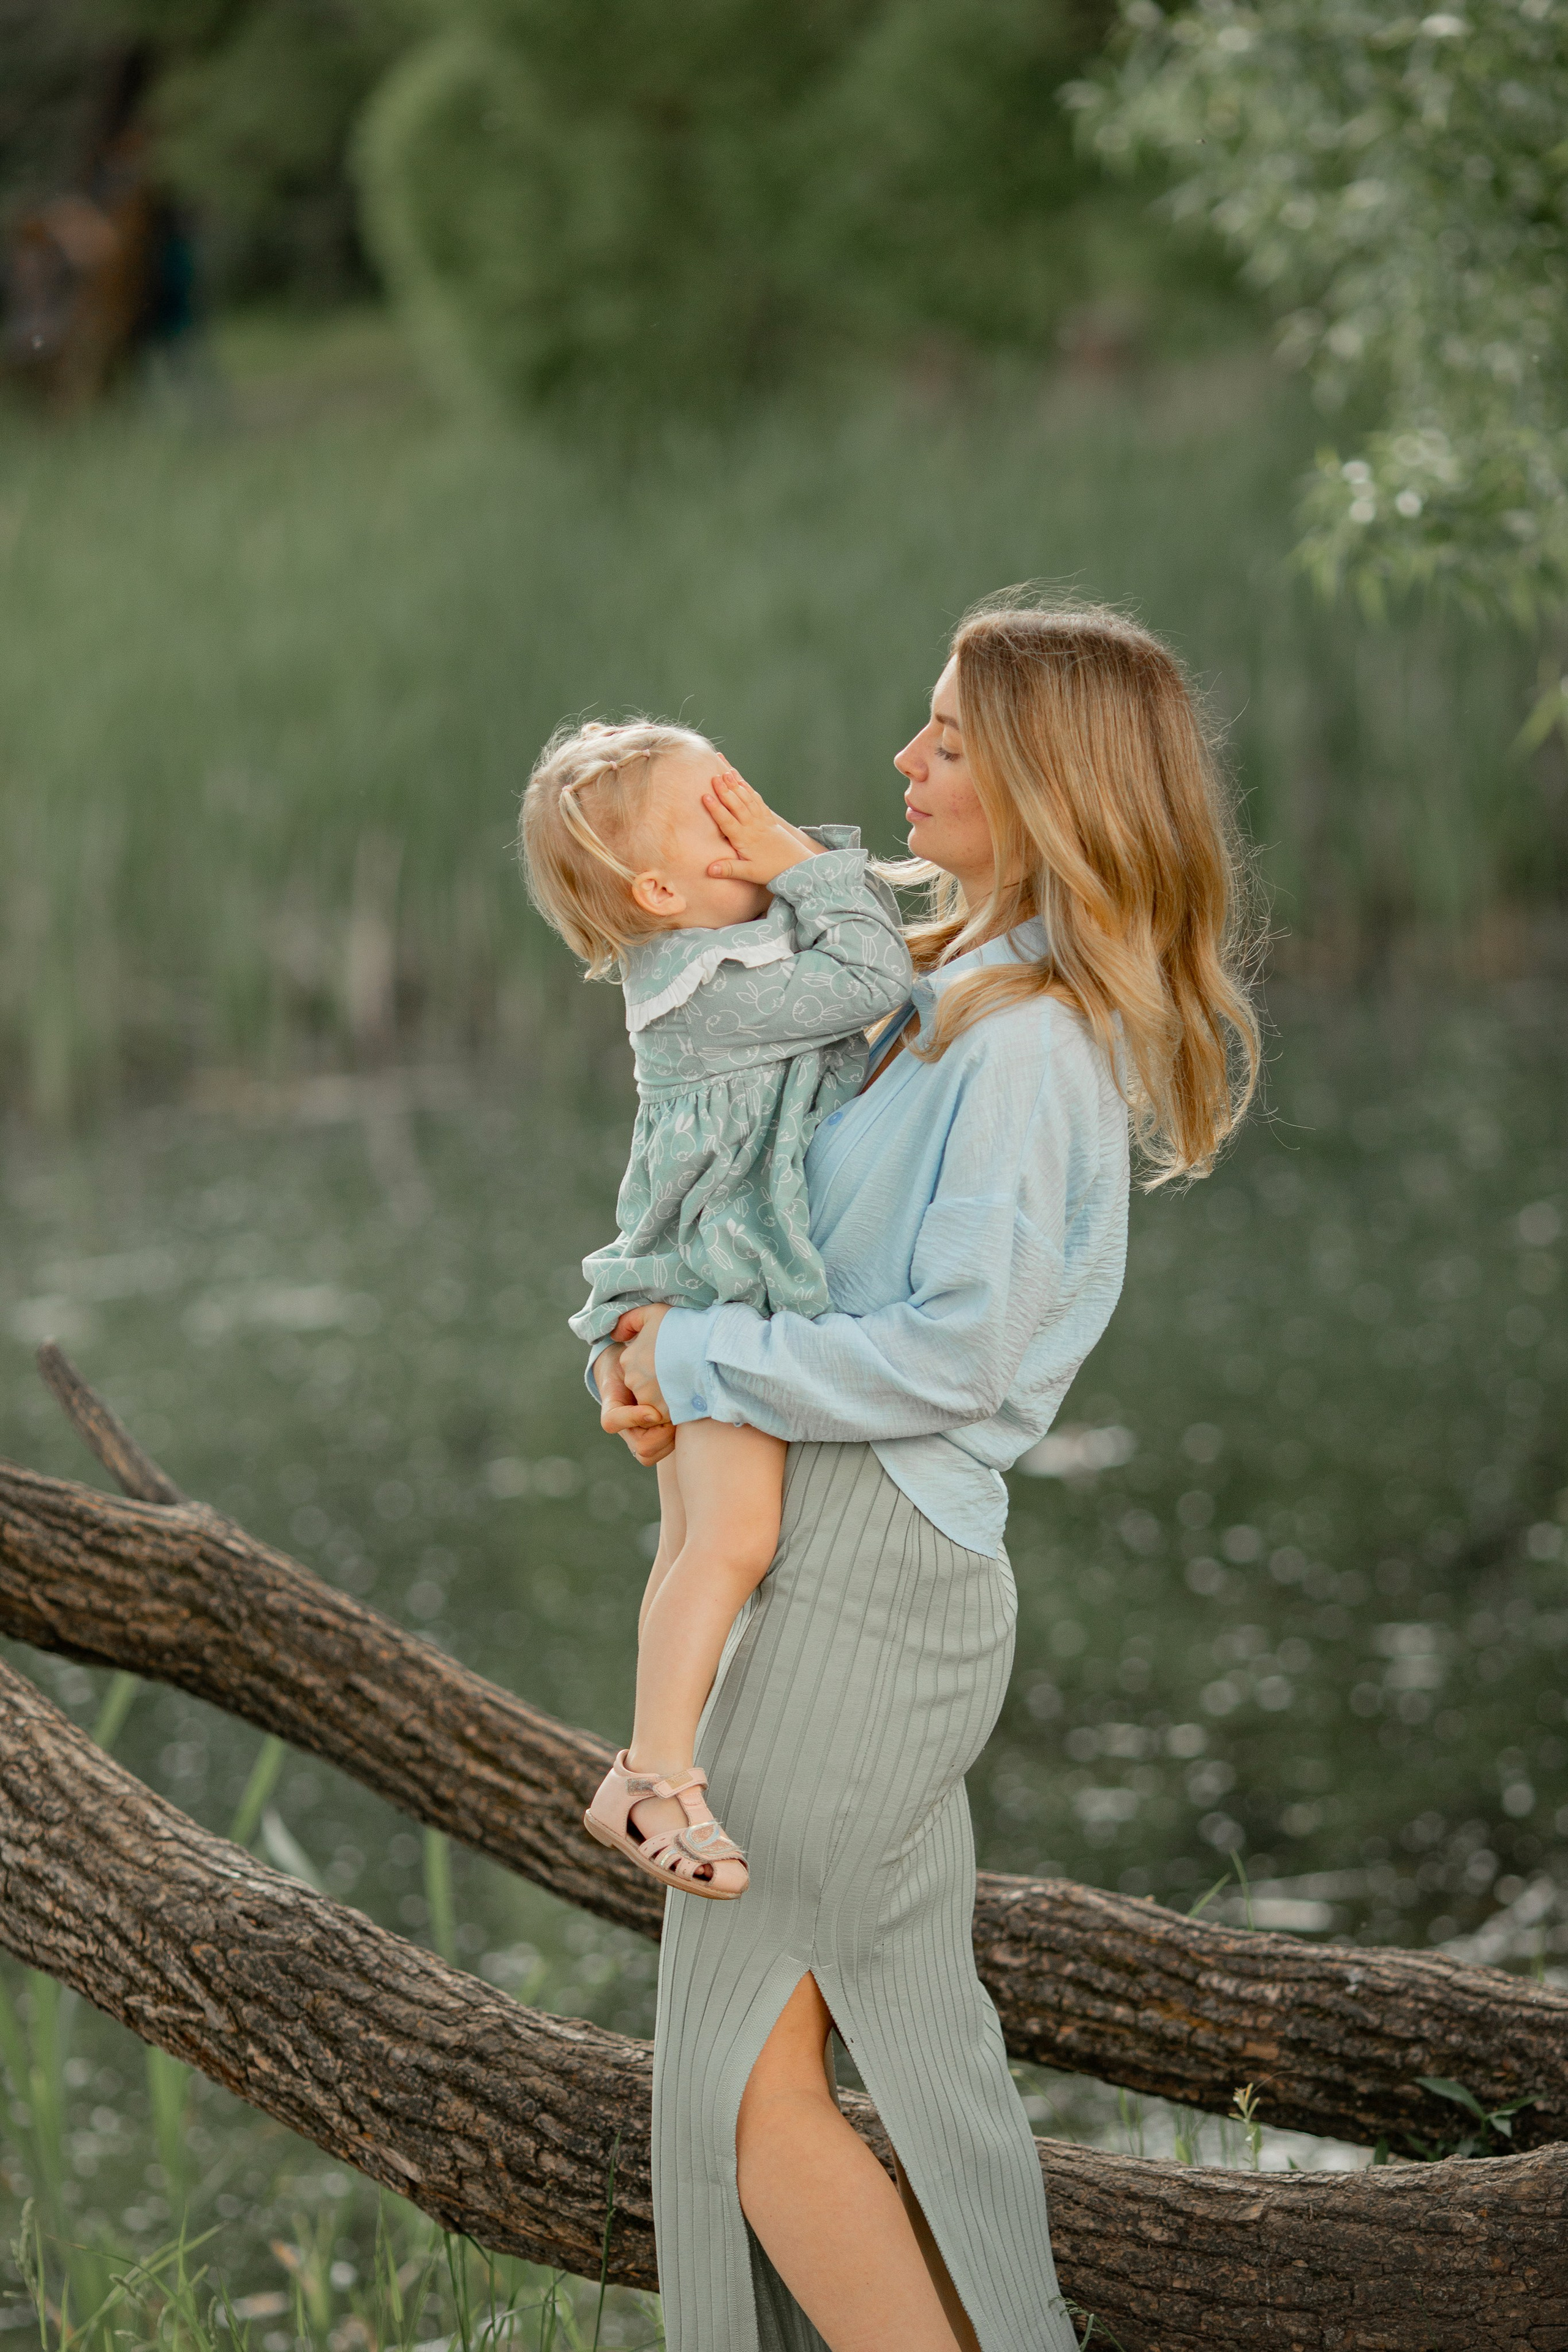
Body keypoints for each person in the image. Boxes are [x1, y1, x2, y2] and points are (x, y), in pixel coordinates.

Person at [594, 598, 1261, 2352]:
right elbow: (766, 1237)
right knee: (912, 2069)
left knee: (739, 2092)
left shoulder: (1027, 1046)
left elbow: (962, 1358)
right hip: (826, 1565)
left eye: (949, 738)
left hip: (881, 1586)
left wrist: (704, 1360)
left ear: (1047, 784)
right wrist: (657, 1361)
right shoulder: (936, 995)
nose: (905, 758)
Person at [520, 720, 913, 1898]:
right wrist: (808, 864)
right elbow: (876, 977)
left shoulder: (728, 953)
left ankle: (650, 1762)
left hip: (700, 1288)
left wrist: (790, 863)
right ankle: (657, 1778)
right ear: (660, 892)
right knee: (732, 1542)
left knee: (694, 1545)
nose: (757, 820)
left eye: (750, 792)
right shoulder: (704, 990)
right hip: (713, 1299)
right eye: (722, 810)